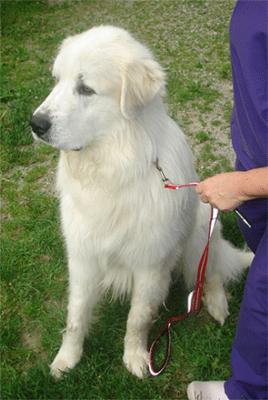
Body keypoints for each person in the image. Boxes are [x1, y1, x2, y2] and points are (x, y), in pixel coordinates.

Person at [187, 1, 268, 399]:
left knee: (263, 295)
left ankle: (247, 392)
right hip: (257, 167)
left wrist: (245, 185)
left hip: (257, 181)